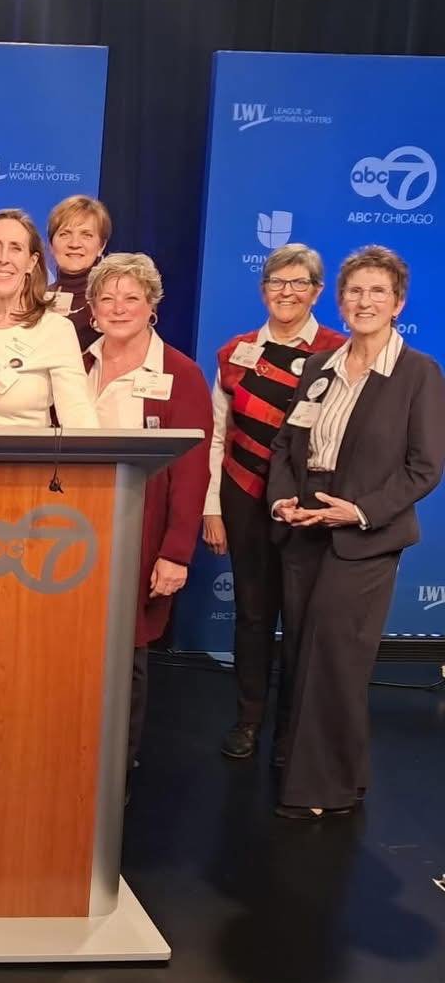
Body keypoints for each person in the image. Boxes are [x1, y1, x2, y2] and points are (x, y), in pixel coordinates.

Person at [268, 245, 445, 819]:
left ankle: (320, 790)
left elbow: (424, 467)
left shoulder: (418, 373)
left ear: (398, 302)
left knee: (336, 659)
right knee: (302, 654)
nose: (364, 301)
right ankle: (336, 776)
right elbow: (287, 444)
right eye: (354, 291)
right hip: (306, 530)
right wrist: (282, 500)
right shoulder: (320, 367)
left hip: (364, 536)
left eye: (377, 292)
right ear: (339, 301)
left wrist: (360, 512)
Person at [201, 244, 346, 762]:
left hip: (310, 504)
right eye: (277, 283)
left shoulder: (339, 351)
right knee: (253, 615)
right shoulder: (234, 352)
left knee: (305, 619)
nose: (287, 292)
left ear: (317, 291)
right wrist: (211, 507)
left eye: (298, 283)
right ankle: (249, 719)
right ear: (263, 290)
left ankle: (294, 732)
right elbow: (217, 435)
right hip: (243, 496)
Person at [84, 253, 212, 782]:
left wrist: (176, 552)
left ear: (152, 306)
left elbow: (192, 470)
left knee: (127, 662)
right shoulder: (76, 364)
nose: (118, 308)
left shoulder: (180, 374)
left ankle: (116, 771)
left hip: (141, 540)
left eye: (131, 297)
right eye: (107, 298)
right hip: (76, 537)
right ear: (91, 310)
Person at [0, 208, 98, 429]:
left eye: (16, 249)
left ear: (32, 262)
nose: (3, 259)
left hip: (24, 462)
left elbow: (78, 415)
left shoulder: (56, 329)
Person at [46, 194, 113, 352]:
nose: (74, 244)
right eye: (65, 234)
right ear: (51, 245)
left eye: (86, 235)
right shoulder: (38, 299)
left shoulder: (113, 300)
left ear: (101, 246)